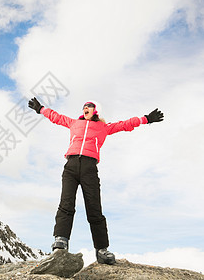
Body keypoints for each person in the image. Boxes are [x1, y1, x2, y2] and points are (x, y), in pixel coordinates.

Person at [28, 97, 164, 265]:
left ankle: (101, 249)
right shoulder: (73, 123)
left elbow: (124, 124)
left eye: (89, 106)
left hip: (89, 168)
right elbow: (56, 117)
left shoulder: (103, 127)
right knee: (66, 203)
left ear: (95, 111)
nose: (85, 108)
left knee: (94, 209)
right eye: (84, 106)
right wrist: (41, 108)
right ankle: (61, 241)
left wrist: (146, 119)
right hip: (70, 166)